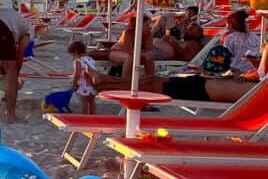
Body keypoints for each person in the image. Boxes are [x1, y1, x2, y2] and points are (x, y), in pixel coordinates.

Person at [89, 67, 259, 104]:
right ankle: (105, 79)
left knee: (151, 85)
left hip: (205, 93)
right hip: (207, 83)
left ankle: (101, 86)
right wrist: (245, 76)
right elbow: (260, 73)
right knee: (152, 78)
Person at [68, 40, 97, 115]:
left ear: (75, 52)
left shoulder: (78, 61)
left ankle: (84, 116)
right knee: (92, 101)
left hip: (84, 84)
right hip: (93, 82)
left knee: (84, 102)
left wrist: (74, 85)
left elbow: (77, 74)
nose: (73, 57)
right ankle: (92, 115)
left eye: (72, 55)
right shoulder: (90, 59)